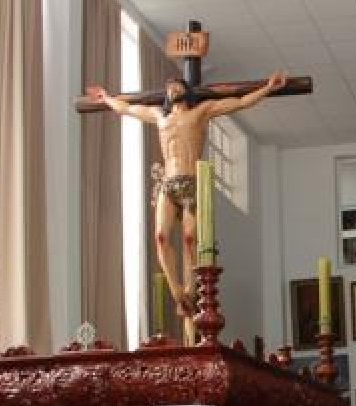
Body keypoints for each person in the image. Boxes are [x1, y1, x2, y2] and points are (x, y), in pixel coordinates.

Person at [87, 71, 287, 315]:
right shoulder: (158, 116)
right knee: (161, 238)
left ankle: (192, 292)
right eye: (168, 86)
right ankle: (177, 293)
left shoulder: (201, 112)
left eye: (176, 85)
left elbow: (240, 102)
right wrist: (106, 98)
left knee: (190, 240)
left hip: (193, 182)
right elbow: (127, 109)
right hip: (168, 183)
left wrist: (267, 88)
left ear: (186, 90)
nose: (172, 88)